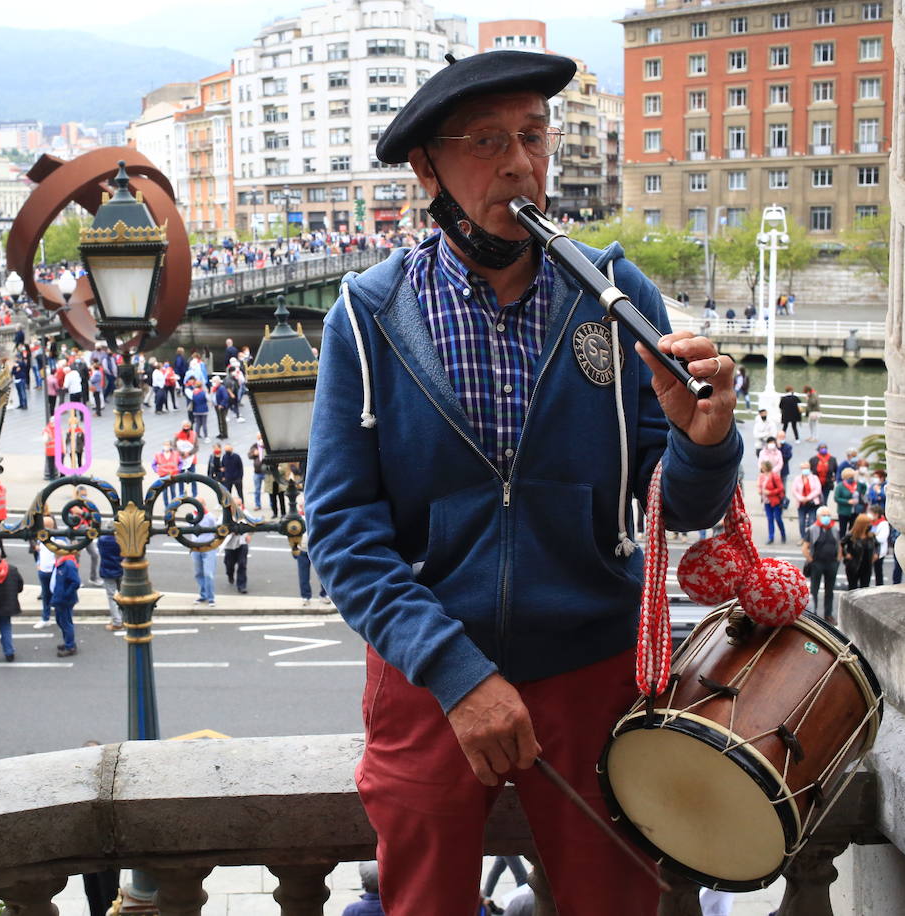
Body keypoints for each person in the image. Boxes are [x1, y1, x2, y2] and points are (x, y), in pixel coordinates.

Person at [305, 50, 742, 916]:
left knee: (615, 898)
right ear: (426, 168)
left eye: (534, 137)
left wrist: (706, 444)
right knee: (423, 901)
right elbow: (343, 533)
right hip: (428, 679)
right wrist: (457, 674)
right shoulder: (366, 318)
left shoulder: (616, 296)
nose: (520, 164)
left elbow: (675, 508)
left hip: (593, 670)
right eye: (487, 141)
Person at [802, 508, 842, 621]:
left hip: (831, 564)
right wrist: (811, 560)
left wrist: (838, 560)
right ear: (818, 517)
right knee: (814, 590)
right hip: (817, 564)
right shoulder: (812, 529)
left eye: (828, 515)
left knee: (830, 591)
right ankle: (813, 614)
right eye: (824, 515)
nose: (827, 517)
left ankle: (828, 614)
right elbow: (805, 548)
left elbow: (839, 545)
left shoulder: (834, 529)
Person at [49, 550, 81, 657]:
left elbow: (75, 582)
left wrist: (66, 594)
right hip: (59, 598)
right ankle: (68, 641)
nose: (53, 553)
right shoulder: (60, 563)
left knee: (66, 622)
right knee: (61, 621)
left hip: (64, 599)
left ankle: (70, 646)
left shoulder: (68, 564)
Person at [187, 509, 218, 607]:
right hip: (196, 548)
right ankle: (203, 595)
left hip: (208, 548)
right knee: (198, 573)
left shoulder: (210, 517)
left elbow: (215, 529)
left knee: (208, 574)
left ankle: (211, 597)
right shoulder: (192, 516)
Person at [222, 497, 251, 594]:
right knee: (229, 564)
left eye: (240, 505)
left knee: (242, 564)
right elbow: (219, 528)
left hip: (242, 543)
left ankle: (241, 585)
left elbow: (254, 524)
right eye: (236, 505)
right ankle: (230, 574)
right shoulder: (226, 514)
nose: (239, 507)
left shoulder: (245, 514)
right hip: (230, 544)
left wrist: (249, 535)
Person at [842, 512, 878, 590]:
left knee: (865, 589)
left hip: (867, 566)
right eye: (868, 524)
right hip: (853, 565)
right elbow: (841, 544)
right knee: (852, 588)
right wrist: (846, 554)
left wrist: (876, 553)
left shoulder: (871, 536)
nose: (870, 525)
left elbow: (877, 545)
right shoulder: (851, 536)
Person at [98, 531, 124, 631]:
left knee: (111, 597)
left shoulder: (102, 540)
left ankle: (117, 621)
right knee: (123, 596)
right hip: (121, 569)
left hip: (107, 570)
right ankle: (124, 618)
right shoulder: (121, 539)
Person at [832, 467, 867, 541]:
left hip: (855, 511)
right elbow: (836, 498)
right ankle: (841, 543)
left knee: (853, 528)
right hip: (844, 511)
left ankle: (851, 543)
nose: (851, 479)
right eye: (849, 477)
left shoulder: (857, 484)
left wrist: (861, 494)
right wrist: (847, 501)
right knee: (843, 529)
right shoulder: (840, 486)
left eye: (852, 477)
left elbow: (864, 487)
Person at [790, 466, 824, 534]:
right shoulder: (797, 479)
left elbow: (818, 490)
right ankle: (803, 537)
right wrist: (801, 498)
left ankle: (811, 537)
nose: (805, 470)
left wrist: (808, 498)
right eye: (803, 468)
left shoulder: (814, 478)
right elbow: (794, 491)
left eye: (806, 468)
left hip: (812, 503)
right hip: (801, 503)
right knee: (801, 522)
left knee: (812, 521)